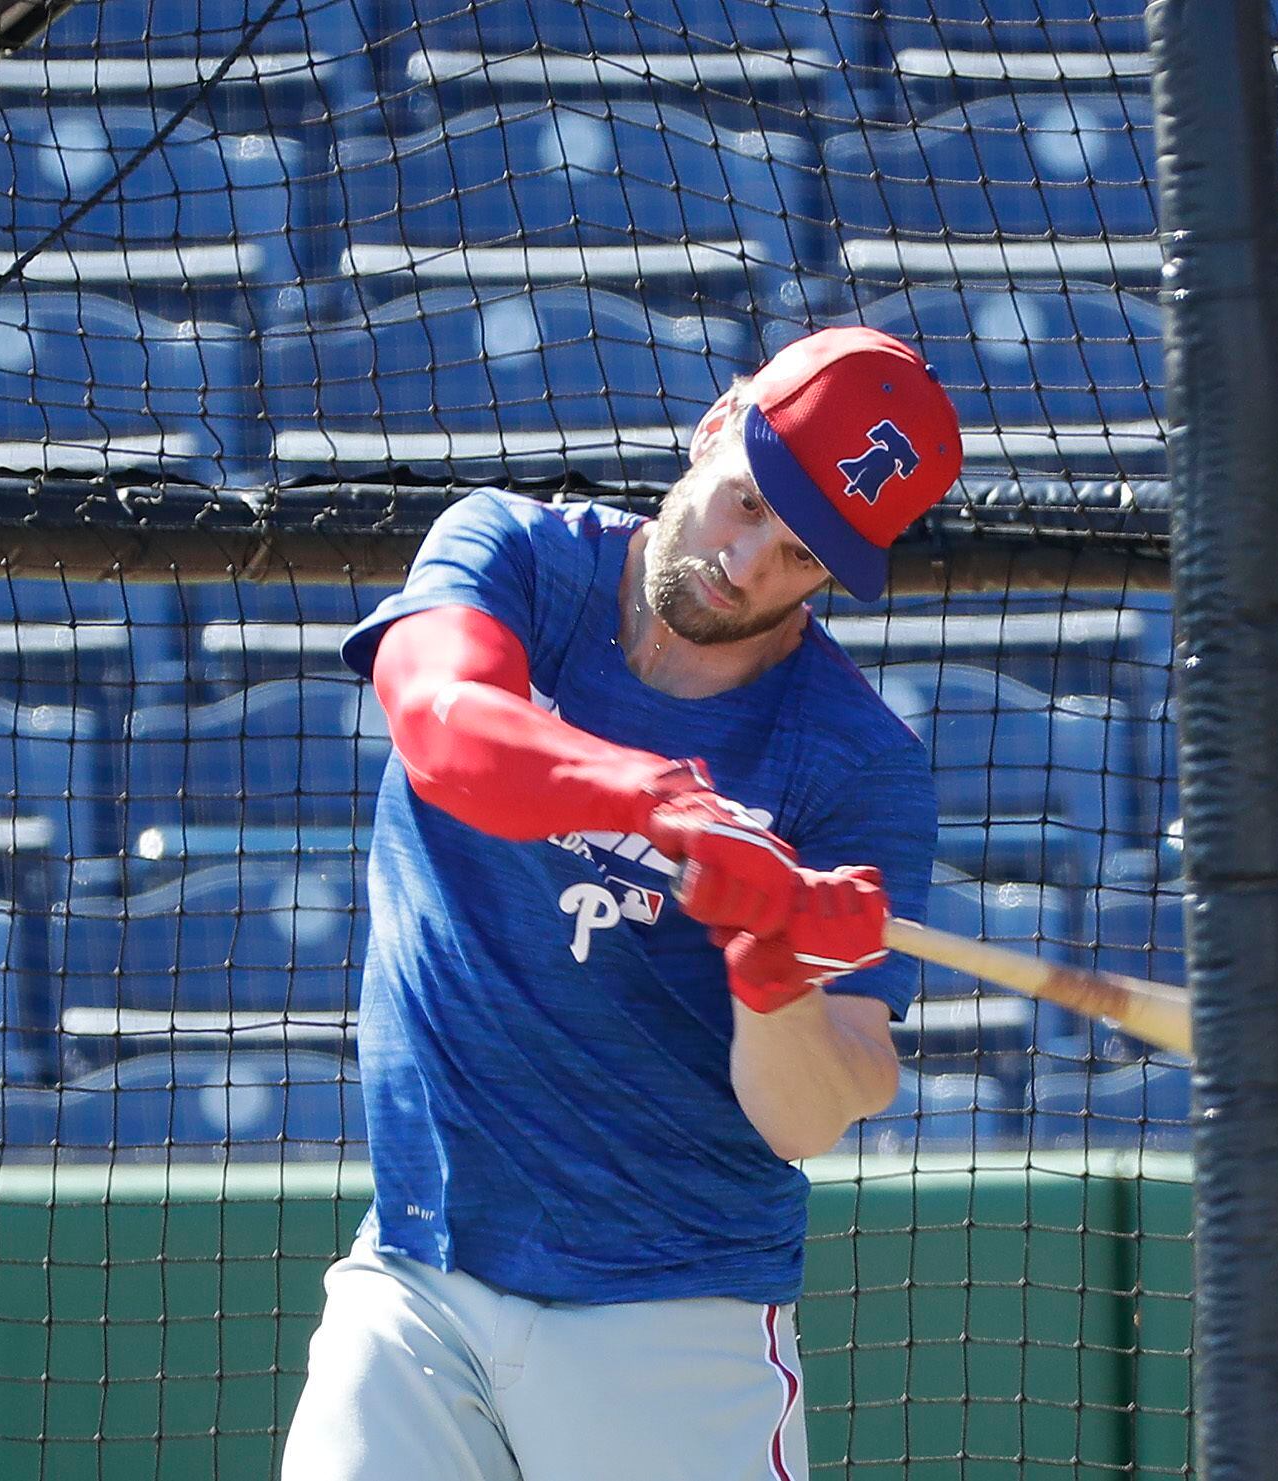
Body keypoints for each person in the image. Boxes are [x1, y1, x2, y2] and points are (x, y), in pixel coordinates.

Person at [279, 327, 961, 1481]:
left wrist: (773, 973)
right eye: (746, 502)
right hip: (421, 1264)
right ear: (713, 425)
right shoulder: (518, 556)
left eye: (797, 555)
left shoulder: (856, 762)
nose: (746, 563)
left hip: (675, 1302)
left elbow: (816, 1107)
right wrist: (661, 804)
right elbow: (442, 722)